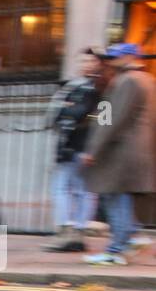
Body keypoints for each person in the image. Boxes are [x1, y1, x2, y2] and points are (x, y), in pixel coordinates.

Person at [81, 43, 156, 265]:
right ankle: (132, 236)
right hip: (137, 148)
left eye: (115, 56)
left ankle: (116, 250)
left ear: (130, 56)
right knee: (119, 196)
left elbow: (110, 119)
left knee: (114, 195)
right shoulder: (148, 80)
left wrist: (92, 149)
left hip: (121, 150)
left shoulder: (126, 81)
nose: (110, 60)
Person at [43, 49, 104, 252]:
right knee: (79, 190)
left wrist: (68, 109)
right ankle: (74, 233)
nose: (86, 64)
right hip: (72, 144)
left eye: (91, 60)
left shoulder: (97, 88)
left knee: (68, 189)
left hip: (80, 145)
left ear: (99, 63)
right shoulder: (78, 86)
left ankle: (70, 231)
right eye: (83, 60)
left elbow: (99, 119)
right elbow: (62, 113)